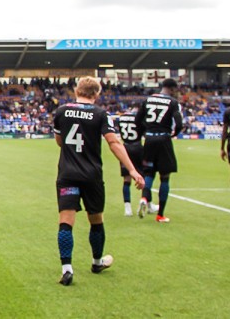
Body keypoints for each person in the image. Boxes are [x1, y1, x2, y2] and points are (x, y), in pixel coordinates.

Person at [52, 77, 144, 286]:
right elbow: (114, 142)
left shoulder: (61, 111)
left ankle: (67, 268)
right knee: (96, 220)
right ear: (96, 94)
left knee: (66, 221)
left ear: (77, 90)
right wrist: (132, 169)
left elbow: (59, 141)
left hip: (67, 173)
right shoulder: (101, 114)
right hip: (92, 175)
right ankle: (96, 262)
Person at [135, 78, 183, 222]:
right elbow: (179, 122)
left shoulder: (148, 100)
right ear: (172, 89)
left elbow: (137, 120)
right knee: (165, 177)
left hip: (149, 139)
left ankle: (144, 198)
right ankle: (160, 214)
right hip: (164, 139)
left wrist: (144, 132)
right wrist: (174, 133)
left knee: (148, 173)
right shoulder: (173, 103)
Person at [114, 109, 143, 216]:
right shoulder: (138, 117)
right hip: (137, 147)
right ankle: (144, 202)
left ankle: (127, 208)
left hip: (125, 147)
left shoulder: (121, 118)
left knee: (126, 179)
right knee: (143, 177)